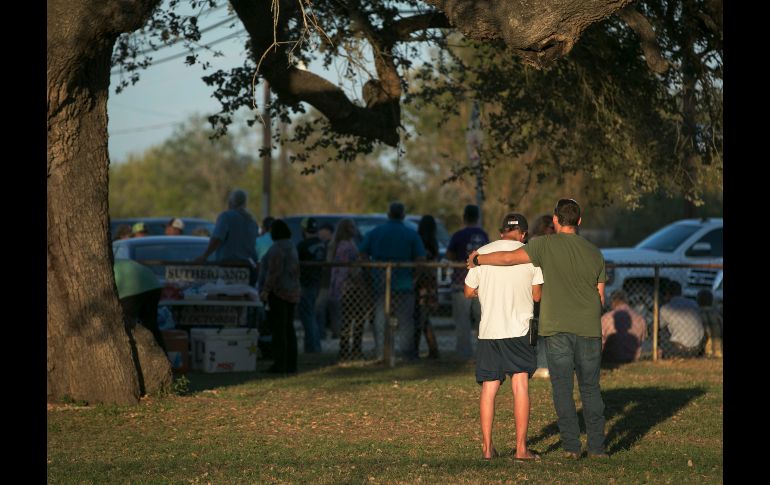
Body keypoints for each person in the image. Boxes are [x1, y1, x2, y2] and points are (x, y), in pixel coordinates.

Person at [467, 198, 609, 459]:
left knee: (562, 387)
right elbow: (600, 297)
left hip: (554, 327)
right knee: (590, 387)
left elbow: (509, 258)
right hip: (588, 328)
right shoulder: (594, 252)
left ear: (555, 220)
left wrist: (478, 259)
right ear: (579, 221)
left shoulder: (543, 245)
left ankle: (571, 448)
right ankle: (598, 448)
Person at [465, 213, 543, 461]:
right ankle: (521, 449)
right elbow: (537, 296)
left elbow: (468, 291)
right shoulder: (531, 254)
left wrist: (487, 291)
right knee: (520, 386)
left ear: (501, 233)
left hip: (489, 331)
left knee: (489, 388)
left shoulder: (482, 254)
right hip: (519, 329)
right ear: (523, 234)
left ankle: (487, 449)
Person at [359, 201, 426, 361]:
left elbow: (361, 254)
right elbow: (421, 259)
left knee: (381, 320)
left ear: (388, 214)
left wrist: (369, 273)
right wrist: (414, 278)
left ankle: (382, 353)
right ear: (403, 215)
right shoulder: (411, 233)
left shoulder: (375, 232)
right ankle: (406, 354)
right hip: (404, 283)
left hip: (380, 282)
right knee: (405, 322)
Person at [446, 204, 489, 359]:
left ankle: (464, 353)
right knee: (482, 319)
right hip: (481, 283)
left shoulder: (458, 235)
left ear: (464, 217)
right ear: (477, 217)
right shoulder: (483, 235)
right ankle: (483, 352)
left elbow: (449, 255)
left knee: (462, 321)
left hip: (461, 282)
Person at [258, 219, 301, 373]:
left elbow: (273, 273)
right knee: (289, 329)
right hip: (293, 292)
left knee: (278, 331)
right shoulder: (292, 247)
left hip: (279, 293)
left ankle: (280, 364)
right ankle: (291, 364)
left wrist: (265, 290)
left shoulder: (277, 249)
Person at [194, 189, 259, 285]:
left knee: (225, 296)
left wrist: (204, 256)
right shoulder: (252, 222)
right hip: (247, 269)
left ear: (231, 202)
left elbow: (217, 238)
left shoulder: (226, 216)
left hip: (228, 269)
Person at [329, 219, 369, 360]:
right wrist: (361, 284)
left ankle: (345, 349)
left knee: (346, 319)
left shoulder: (338, 245)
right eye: (351, 227)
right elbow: (351, 268)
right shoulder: (347, 246)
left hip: (343, 287)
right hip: (351, 287)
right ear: (347, 229)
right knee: (357, 319)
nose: (354, 229)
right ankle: (354, 350)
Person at [113, 259, 166, 351]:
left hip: (131, 287)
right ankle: (163, 358)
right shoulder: (115, 260)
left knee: (125, 325)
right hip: (153, 283)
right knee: (151, 325)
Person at [526, 214, 555, 378]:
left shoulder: (537, 242)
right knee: (539, 329)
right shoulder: (538, 242)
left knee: (538, 328)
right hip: (538, 289)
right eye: (551, 227)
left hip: (544, 290)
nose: (554, 230)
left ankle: (539, 365)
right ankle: (541, 365)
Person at [296, 217, 327, 353]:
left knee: (308, 317)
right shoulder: (322, 244)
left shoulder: (302, 246)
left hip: (305, 284)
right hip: (318, 284)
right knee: (312, 316)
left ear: (303, 230)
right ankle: (315, 346)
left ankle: (312, 348)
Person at [414, 215, 440, 359]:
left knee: (421, 319)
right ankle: (431, 350)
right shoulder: (433, 242)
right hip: (430, 283)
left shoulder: (421, 241)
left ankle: (427, 350)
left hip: (422, 284)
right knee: (423, 319)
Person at [658, 281, 705, 358]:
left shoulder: (666, 308)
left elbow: (657, 327)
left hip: (678, 350)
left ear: (667, 294)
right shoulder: (694, 303)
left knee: (661, 329)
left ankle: (662, 355)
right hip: (697, 349)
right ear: (680, 292)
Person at [600, 290, 647, 363]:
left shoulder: (606, 318)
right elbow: (642, 341)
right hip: (633, 358)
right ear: (627, 301)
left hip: (610, 358)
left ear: (613, 302)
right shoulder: (640, 319)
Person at [315, 222, 336, 339]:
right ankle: (324, 332)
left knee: (321, 307)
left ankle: (323, 332)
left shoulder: (331, 245)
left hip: (327, 282)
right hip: (325, 282)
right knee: (325, 308)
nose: (319, 233)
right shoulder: (323, 245)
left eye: (322, 230)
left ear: (328, 232)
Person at [697, 289, 723, 358]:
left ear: (698, 301)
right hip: (720, 351)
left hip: (705, 351)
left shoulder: (697, 314)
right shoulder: (718, 316)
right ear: (712, 301)